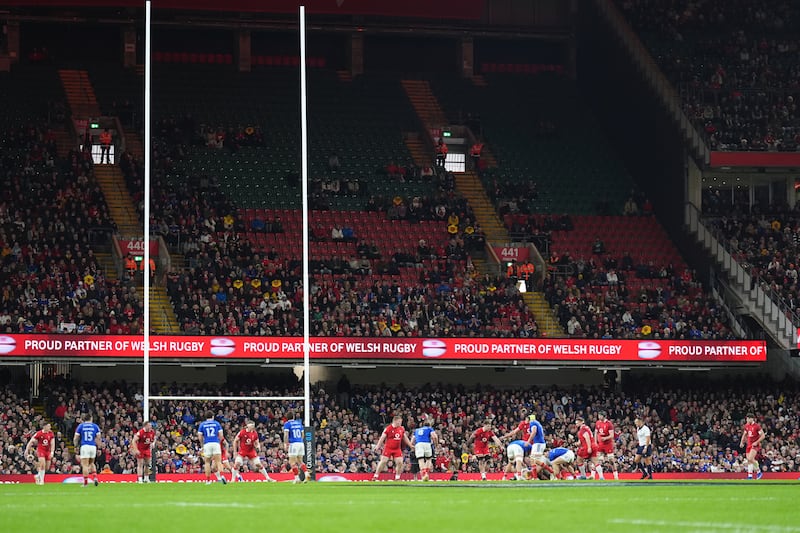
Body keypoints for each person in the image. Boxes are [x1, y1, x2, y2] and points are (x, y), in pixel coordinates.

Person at [372, 414, 413, 481]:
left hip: (397, 449)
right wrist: (378, 446)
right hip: (388, 448)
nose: (400, 423)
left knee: (400, 462)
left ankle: (397, 477)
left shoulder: (401, 429)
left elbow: (405, 438)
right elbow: (382, 437)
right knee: (383, 461)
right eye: (399, 422)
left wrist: (410, 445)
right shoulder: (388, 428)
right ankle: (376, 476)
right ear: (395, 421)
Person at [197, 411, 227, 484]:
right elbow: (221, 435)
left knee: (207, 462)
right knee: (218, 461)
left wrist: (202, 445)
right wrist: (218, 441)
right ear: (213, 416)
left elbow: (200, 437)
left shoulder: (202, 424)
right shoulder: (217, 423)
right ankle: (222, 476)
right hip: (215, 443)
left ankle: (208, 480)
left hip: (207, 443)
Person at [73, 413, 101, 487]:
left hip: (85, 446)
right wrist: (99, 447)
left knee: (85, 465)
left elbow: (76, 437)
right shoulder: (95, 426)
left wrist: (75, 445)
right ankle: (95, 477)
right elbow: (98, 438)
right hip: (93, 446)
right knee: (92, 463)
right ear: (91, 418)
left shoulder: (81, 426)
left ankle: (85, 483)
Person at [410, 415, 440, 481]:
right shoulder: (429, 429)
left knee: (420, 460)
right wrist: (436, 444)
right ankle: (426, 473)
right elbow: (434, 437)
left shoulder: (417, 430)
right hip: (427, 443)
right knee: (428, 459)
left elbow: (412, 440)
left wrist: (412, 446)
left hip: (418, 444)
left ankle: (423, 474)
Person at [284, 411, 308, 484]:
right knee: (300, 461)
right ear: (293, 417)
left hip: (293, 444)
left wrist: (285, 443)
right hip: (300, 443)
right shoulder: (298, 423)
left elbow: (286, 435)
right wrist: (300, 440)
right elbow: (303, 434)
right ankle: (307, 474)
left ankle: (297, 478)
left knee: (292, 462)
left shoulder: (287, 424)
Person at [740, 413, 766, 480]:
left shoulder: (757, 426)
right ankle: (750, 476)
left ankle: (758, 472)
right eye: (747, 419)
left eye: (748, 419)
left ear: (752, 419)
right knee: (750, 460)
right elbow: (744, 434)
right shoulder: (747, 426)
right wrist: (742, 442)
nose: (747, 420)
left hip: (755, 445)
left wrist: (756, 442)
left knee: (750, 459)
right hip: (748, 444)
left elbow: (763, 435)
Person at [594, 410, 619, 480]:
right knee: (598, 460)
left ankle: (616, 476)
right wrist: (595, 442)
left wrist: (605, 438)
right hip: (600, 444)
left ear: (604, 416)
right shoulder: (598, 423)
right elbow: (596, 433)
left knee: (611, 460)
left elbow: (612, 435)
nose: (598, 417)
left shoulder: (609, 424)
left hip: (608, 444)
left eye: (600, 415)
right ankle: (598, 476)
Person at [575, 415, 597, 479]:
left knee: (579, 460)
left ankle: (583, 476)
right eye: (576, 423)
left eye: (577, 422)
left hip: (586, 447)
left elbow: (587, 437)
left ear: (582, 422)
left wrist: (589, 447)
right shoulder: (586, 428)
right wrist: (577, 443)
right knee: (594, 462)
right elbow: (580, 441)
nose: (576, 424)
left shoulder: (583, 429)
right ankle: (600, 477)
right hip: (589, 446)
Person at [633, 415, 653, 480]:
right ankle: (644, 473)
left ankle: (650, 476)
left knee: (647, 461)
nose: (635, 424)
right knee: (636, 460)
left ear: (640, 422)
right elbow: (640, 438)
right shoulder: (638, 428)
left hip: (646, 445)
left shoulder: (646, 429)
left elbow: (648, 439)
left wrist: (646, 447)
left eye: (636, 422)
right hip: (640, 445)